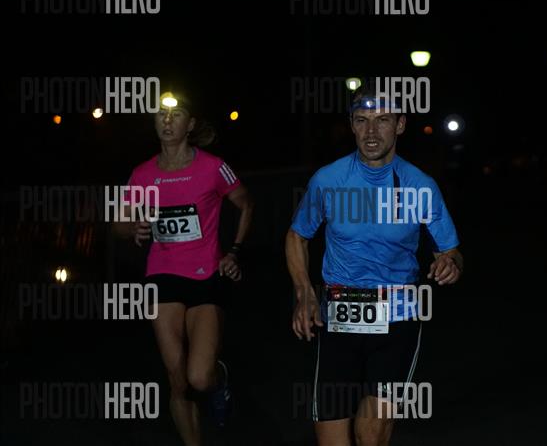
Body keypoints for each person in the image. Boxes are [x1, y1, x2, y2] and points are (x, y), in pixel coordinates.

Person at [285, 81, 463, 446]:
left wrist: (450, 264)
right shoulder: (328, 180)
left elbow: (451, 251)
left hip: (397, 319)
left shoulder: (420, 186)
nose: (370, 131)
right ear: (351, 124)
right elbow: (297, 236)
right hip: (339, 318)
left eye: (382, 120)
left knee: (370, 435)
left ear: (400, 124)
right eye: (361, 120)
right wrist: (304, 293)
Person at [114, 90, 253, 446]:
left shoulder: (212, 167)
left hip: (206, 276)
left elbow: (245, 204)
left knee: (199, 377)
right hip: (162, 276)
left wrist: (234, 252)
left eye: (176, 115)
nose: (167, 121)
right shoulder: (142, 174)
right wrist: (133, 228)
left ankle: (218, 379)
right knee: (177, 379)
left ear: (189, 125)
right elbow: (118, 222)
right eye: (161, 114)